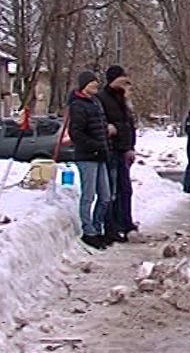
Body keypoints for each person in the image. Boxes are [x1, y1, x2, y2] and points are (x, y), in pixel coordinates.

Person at [68, 71, 112, 249]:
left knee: (106, 196)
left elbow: (100, 127)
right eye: (92, 83)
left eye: (96, 83)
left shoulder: (96, 102)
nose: (96, 86)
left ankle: (98, 227)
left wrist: (105, 144)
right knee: (89, 195)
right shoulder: (78, 105)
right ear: (84, 85)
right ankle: (89, 231)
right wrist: (94, 145)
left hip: (100, 155)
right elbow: (76, 133)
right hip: (87, 156)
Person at [97, 65, 137, 243]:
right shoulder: (102, 99)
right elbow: (104, 124)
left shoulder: (123, 101)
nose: (125, 84)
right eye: (122, 80)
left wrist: (130, 147)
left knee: (125, 189)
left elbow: (129, 124)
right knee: (112, 190)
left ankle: (125, 222)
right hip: (112, 150)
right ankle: (111, 226)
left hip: (123, 149)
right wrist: (115, 129)